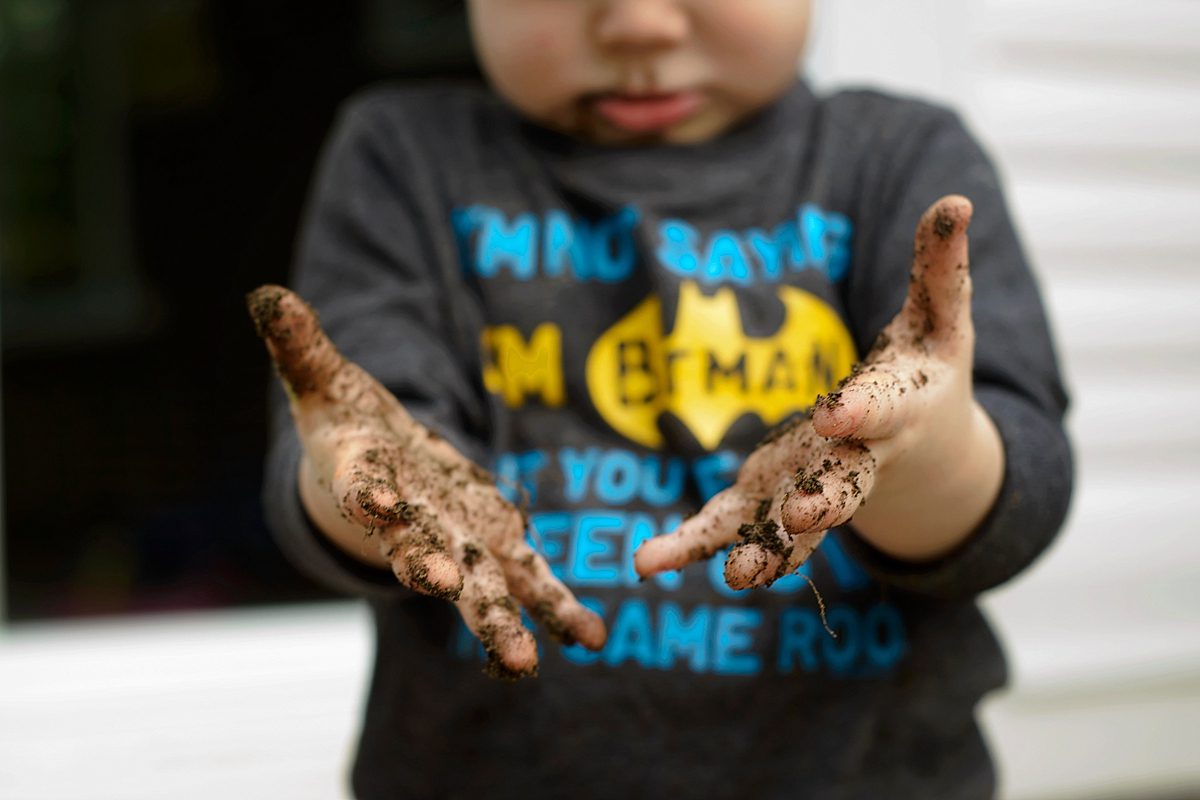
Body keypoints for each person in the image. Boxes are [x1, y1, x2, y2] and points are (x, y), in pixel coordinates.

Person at [250, 1, 1072, 797]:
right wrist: (377, 488)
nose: (639, 22)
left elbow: (1015, 499)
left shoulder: (898, 159)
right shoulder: (406, 158)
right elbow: (357, 430)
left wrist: (915, 453)